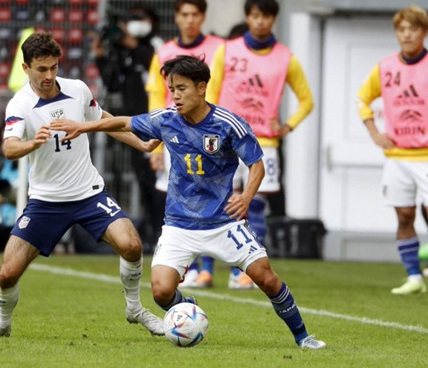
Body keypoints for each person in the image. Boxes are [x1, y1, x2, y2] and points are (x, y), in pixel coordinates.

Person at [51, 55, 326, 349]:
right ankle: (187, 309)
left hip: (223, 223)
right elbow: (126, 122)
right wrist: (83, 127)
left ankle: (303, 336)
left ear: (201, 87)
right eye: (172, 88)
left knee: (267, 279)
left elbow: (256, 164)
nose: (176, 95)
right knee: (160, 291)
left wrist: (245, 197)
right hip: (179, 225)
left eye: (181, 88)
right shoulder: (167, 119)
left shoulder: (228, 125)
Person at [0, 32, 164, 338]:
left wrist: (141, 144)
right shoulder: (20, 105)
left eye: (53, 67)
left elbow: (103, 120)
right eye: (41, 69)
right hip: (46, 202)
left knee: (132, 245)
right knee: (7, 274)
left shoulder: (78, 90)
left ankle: (135, 309)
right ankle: (2, 324)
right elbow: (10, 148)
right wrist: (34, 142)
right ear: (26, 68)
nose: (48, 76)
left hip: (88, 193)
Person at [206, 0, 315, 289]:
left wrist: (287, 126)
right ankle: (206, 269)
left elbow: (307, 101)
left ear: (273, 19)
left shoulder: (286, 58)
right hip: (226, 137)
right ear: (248, 17)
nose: (260, 21)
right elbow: (211, 92)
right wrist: (208, 129)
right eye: (254, 15)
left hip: (264, 141)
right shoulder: (228, 50)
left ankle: (247, 270)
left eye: (265, 16)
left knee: (254, 206)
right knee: (218, 201)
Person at [356, 5, 428, 297]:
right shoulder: (385, 67)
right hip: (397, 158)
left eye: (412, 28)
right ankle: (414, 277)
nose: (406, 34)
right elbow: (363, 99)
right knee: (404, 216)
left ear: (424, 32)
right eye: (401, 29)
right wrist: (375, 133)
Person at [146, 0, 228, 289]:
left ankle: (211, 267)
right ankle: (187, 266)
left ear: (202, 17)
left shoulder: (219, 48)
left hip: (211, 134)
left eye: (195, 14)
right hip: (176, 135)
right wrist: (155, 144)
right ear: (177, 17)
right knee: (180, 197)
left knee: (210, 194)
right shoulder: (164, 51)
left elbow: (222, 89)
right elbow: (157, 94)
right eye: (184, 14)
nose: (189, 20)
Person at [92, 4, 164, 248]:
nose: (134, 23)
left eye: (139, 18)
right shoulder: (123, 51)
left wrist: (133, 44)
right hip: (136, 124)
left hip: (160, 123)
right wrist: (101, 56)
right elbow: (112, 82)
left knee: (161, 184)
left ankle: (165, 233)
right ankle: (153, 235)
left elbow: (159, 66)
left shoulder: (157, 45)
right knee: (144, 181)